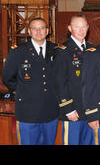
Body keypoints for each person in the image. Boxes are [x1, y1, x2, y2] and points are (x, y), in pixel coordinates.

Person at [2, 17, 59, 145]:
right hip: (27, 112)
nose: (38, 31)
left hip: (50, 111)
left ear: (47, 31)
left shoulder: (56, 50)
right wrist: (22, 91)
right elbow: (7, 77)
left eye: (42, 28)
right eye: (34, 28)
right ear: (29, 31)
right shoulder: (18, 52)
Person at [53, 14, 95, 145]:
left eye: (84, 27)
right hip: (73, 112)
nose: (81, 30)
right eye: (77, 27)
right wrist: (68, 109)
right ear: (70, 28)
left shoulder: (92, 49)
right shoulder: (62, 51)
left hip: (90, 111)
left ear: (88, 28)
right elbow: (59, 83)